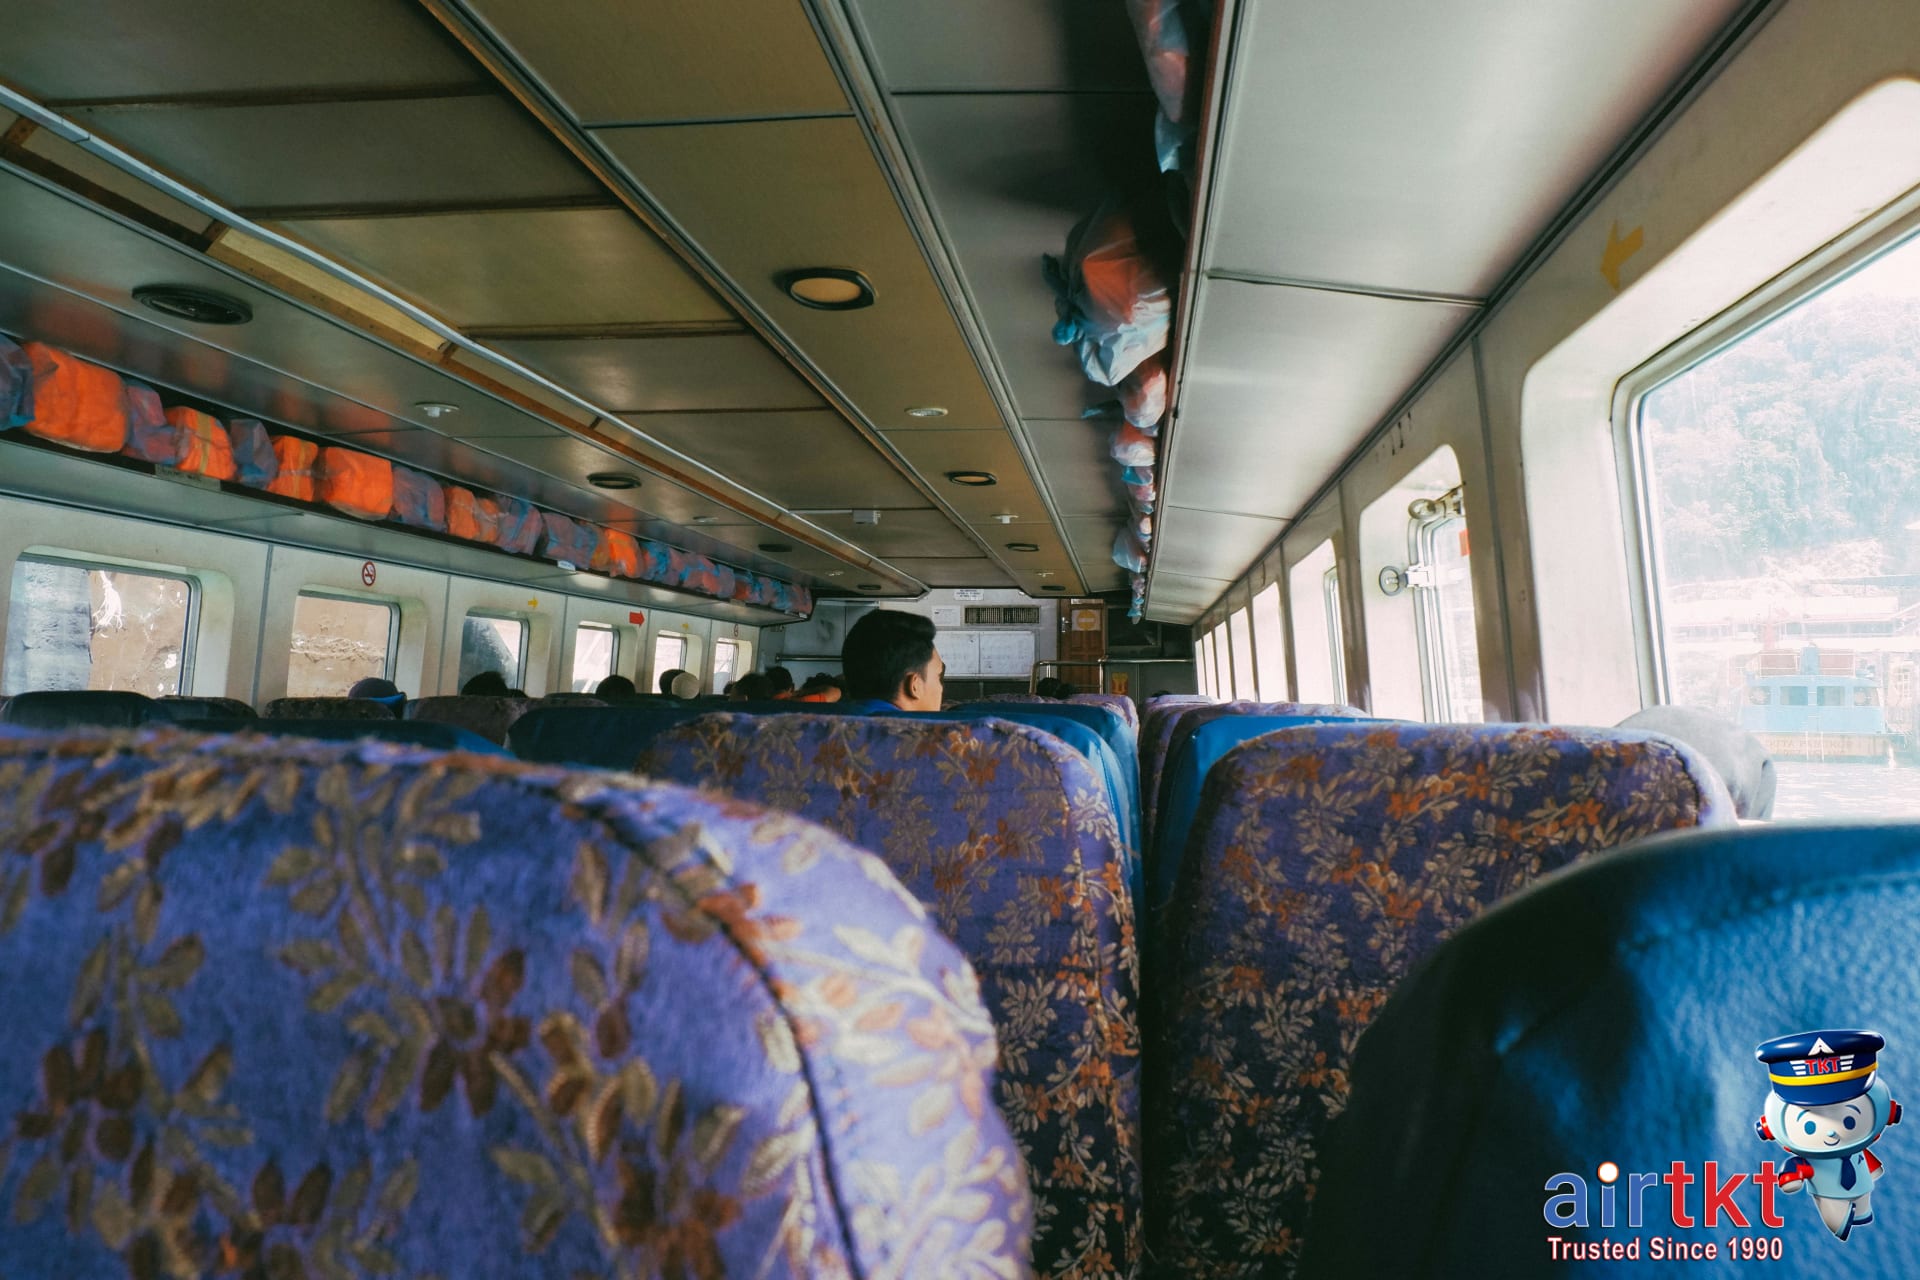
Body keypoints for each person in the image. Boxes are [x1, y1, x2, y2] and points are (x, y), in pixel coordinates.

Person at [841, 609, 944, 712]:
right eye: (938, 676)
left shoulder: (830, 721)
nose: (941, 688)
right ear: (915, 686)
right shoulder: (930, 728)